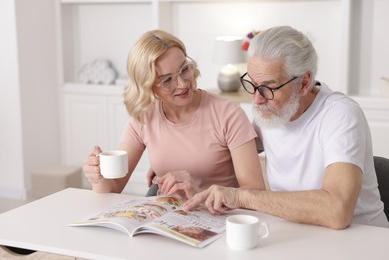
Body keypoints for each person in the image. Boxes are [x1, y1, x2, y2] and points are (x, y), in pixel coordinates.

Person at [184, 26, 389, 229]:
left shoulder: (340, 115)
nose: (256, 99)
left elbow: (337, 211)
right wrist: (190, 179)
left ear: (304, 83)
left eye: (268, 87)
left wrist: (244, 197)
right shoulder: (272, 112)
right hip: (299, 233)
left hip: (362, 239)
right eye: (253, 84)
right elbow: (222, 157)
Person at [83, 29, 265, 199]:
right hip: (166, 219)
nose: (182, 84)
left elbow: (255, 192)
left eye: (184, 69)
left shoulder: (228, 114)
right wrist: (98, 177)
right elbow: (113, 189)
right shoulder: (144, 117)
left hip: (217, 221)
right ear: (148, 86)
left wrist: (198, 194)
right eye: (167, 80)